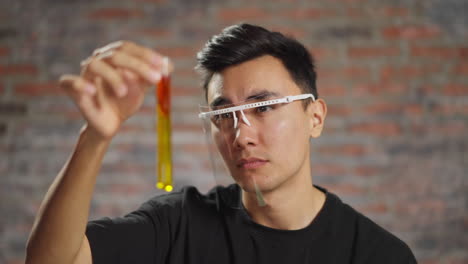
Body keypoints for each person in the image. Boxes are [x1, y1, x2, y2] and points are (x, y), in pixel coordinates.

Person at [25, 24, 416, 264]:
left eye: (263, 108)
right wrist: (95, 138)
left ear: (315, 118)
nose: (241, 134)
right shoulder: (178, 224)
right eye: (223, 114)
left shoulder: (378, 255)